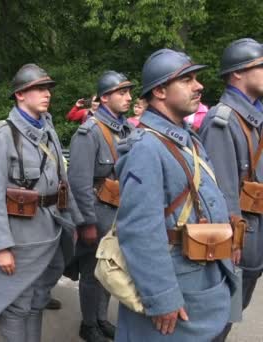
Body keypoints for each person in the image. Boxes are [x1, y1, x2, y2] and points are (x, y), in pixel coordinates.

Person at [114, 48, 240, 341]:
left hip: (200, 274)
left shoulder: (185, 138)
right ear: (159, 91)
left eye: (196, 78)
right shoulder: (147, 147)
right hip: (176, 282)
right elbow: (139, 231)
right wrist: (162, 297)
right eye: (187, 80)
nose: (199, 86)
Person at [0, 64, 83, 342]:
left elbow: (63, 181)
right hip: (19, 238)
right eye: (40, 88)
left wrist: (74, 221)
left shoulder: (49, 131)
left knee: (37, 299)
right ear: (20, 95)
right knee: (16, 305)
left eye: (48, 89)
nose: (47, 94)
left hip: (51, 231)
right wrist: (0, 248)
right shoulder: (0, 136)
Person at [198, 38, 263, 341]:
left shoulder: (254, 116)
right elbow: (220, 191)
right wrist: (233, 243)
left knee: (235, 307)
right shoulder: (222, 121)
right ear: (237, 73)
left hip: (253, 231)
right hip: (237, 237)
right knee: (221, 315)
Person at [68, 70, 134, 342]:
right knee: (91, 273)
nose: (129, 97)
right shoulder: (90, 132)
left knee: (110, 268)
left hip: (120, 212)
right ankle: (88, 323)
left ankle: (101, 318)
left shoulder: (127, 128)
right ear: (105, 98)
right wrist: (86, 222)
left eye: (129, 92)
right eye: (122, 92)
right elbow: (79, 182)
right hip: (97, 211)